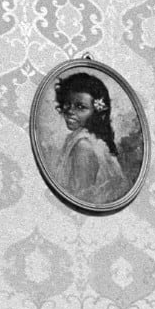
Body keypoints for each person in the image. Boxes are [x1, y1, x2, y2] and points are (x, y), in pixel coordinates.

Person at [53, 70, 129, 207]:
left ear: (96, 113)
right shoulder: (82, 139)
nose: (70, 111)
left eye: (80, 107)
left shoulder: (84, 146)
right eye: (67, 104)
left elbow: (81, 197)